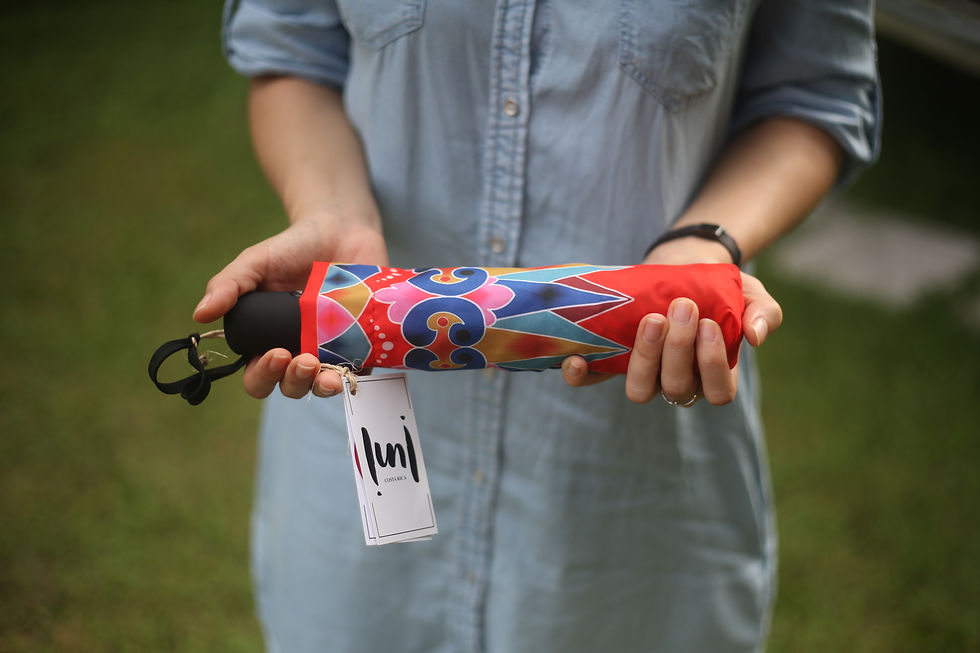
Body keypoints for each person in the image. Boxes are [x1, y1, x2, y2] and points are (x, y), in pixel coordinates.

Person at [196, 2, 879, 651]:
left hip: (629, 484)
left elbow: (815, 96)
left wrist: (703, 244)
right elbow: (291, 49)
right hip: (357, 443)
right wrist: (333, 210)